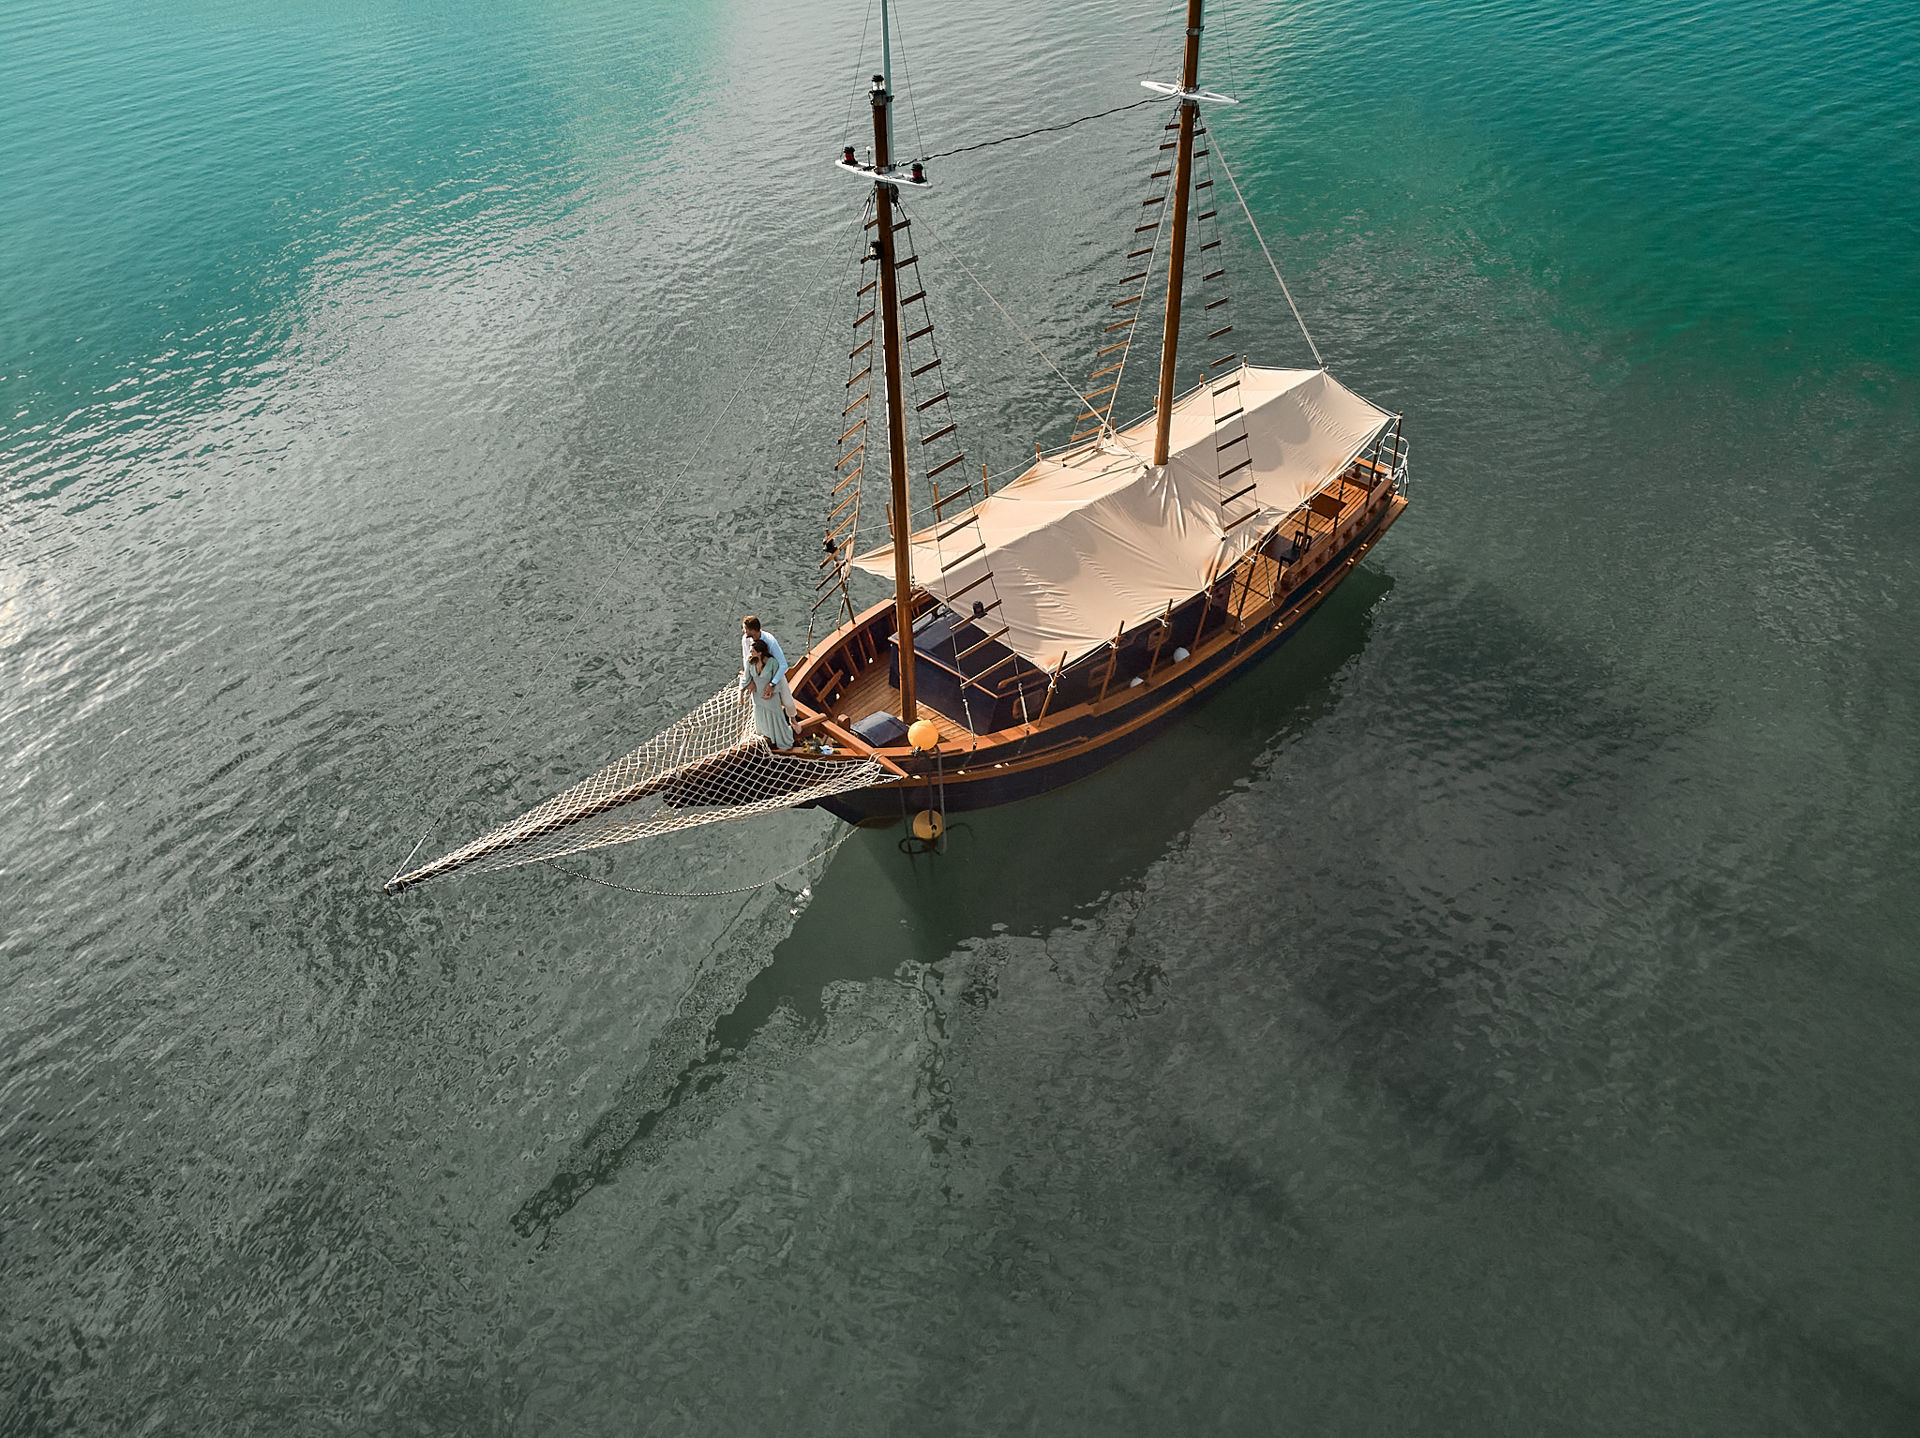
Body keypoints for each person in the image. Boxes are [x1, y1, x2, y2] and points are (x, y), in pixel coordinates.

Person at [739, 636, 796, 748]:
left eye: (752, 650)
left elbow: (777, 680)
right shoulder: (749, 662)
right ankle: (767, 739)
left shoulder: (772, 663)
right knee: (760, 717)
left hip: (771, 697)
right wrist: (740, 695)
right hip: (757, 696)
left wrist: (772, 690)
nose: (749, 652)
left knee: (775, 716)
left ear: (759, 653)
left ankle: (781, 740)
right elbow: (746, 678)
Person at [740, 616, 786, 681]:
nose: (743, 631)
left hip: (773, 676)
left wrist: (773, 683)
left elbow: (783, 665)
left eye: (745, 629)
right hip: (756, 676)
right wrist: (748, 679)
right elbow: (746, 658)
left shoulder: (770, 641)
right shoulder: (745, 639)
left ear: (753, 630)